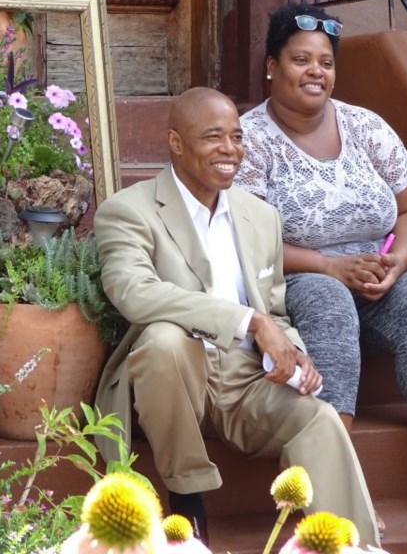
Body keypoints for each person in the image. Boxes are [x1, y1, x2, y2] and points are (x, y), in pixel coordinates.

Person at [92, 87, 381, 547]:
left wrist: (294, 354)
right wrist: (249, 321)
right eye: (213, 137)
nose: (230, 150)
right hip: (174, 381)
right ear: (176, 142)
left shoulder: (260, 216)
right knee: (165, 339)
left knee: (319, 418)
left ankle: (356, 546)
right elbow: (135, 294)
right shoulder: (128, 210)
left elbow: (276, 310)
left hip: (248, 381)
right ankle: (186, 499)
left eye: (237, 137)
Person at [233, 3, 407, 531]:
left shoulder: (366, 126)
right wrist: (327, 265)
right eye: (301, 59)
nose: (315, 71)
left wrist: (398, 262)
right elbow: (241, 237)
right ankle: (337, 489)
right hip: (294, 274)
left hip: (375, 272)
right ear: (271, 65)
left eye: (325, 61)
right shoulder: (249, 139)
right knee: (326, 306)